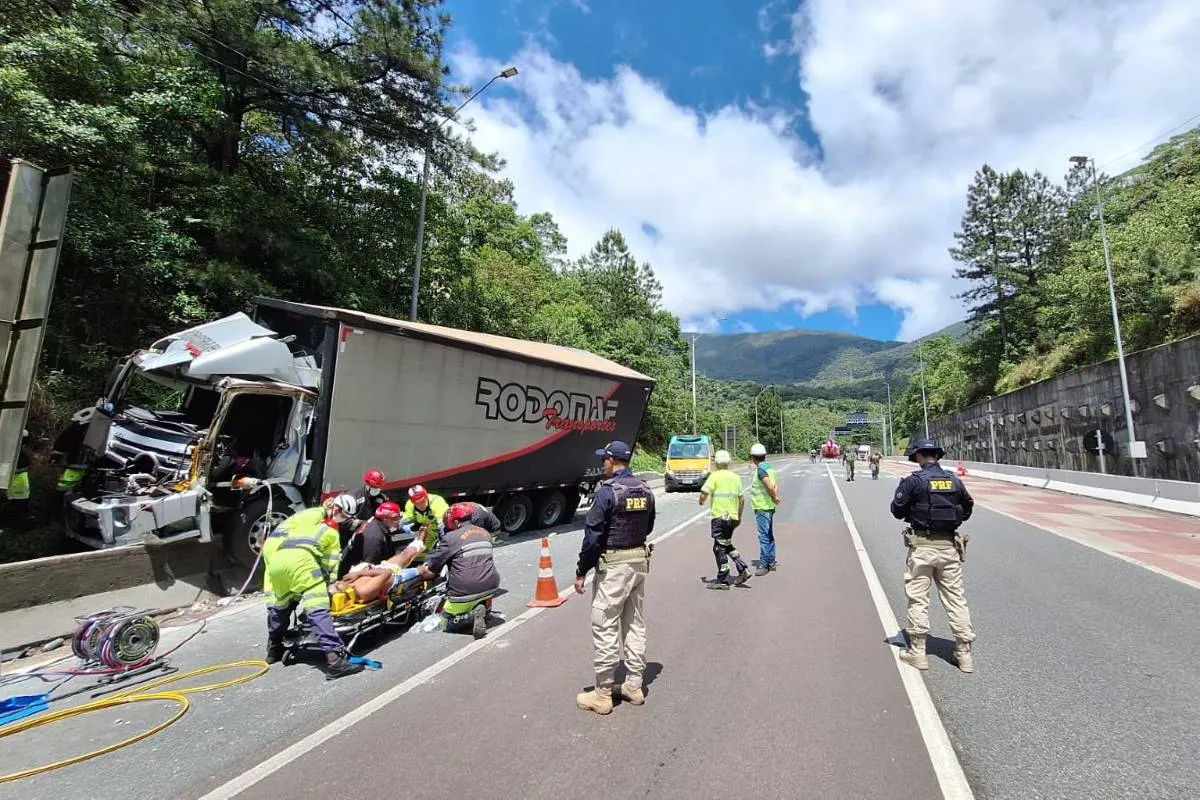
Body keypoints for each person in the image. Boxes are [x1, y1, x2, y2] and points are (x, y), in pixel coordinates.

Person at [573, 440, 656, 716]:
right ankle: (634, 685)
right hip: (639, 564)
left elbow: (593, 536)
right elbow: (650, 525)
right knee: (634, 624)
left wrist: (581, 570)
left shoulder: (608, 493)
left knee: (605, 624)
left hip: (614, 568)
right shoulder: (645, 489)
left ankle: (603, 694)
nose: (602, 465)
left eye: (603, 460)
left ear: (612, 461)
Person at [890, 436, 976, 674]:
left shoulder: (913, 482)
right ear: (937, 455)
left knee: (918, 599)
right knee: (956, 599)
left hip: (922, 547)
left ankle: (918, 652)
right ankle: (964, 654)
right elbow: (967, 509)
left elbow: (897, 511)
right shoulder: (953, 480)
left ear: (918, 456)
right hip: (949, 547)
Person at [263, 494, 365, 680]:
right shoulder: (330, 532)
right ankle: (335, 662)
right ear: (337, 510)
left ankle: (274, 649)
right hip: (300, 562)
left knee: (280, 605)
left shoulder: (307, 522)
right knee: (318, 610)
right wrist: (328, 586)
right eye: (343, 515)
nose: (342, 518)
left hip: (278, 559)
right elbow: (331, 566)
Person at [418, 502, 501, 637]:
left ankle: (471, 616)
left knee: (443, 621)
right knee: (474, 596)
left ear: (455, 522)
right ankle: (482, 608)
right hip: (492, 585)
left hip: (464, 590)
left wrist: (420, 572)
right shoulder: (485, 533)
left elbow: (433, 568)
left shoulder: (450, 538)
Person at [699, 449, 751, 589]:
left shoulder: (714, 476)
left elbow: (704, 494)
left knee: (718, 548)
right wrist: (739, 517)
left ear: (715, 463)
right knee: (726, 544)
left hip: (719, 517)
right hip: (732, 517)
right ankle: (743, 568)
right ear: (729, 463)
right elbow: (741, 499)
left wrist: (701, 500)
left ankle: (723, 579)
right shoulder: (735, 477)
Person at [749, 443, 782, 576]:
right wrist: (774, 497)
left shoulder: (761, 471)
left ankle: (764, 564)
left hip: (762, 506)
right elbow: (775, 485)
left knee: (763, 536)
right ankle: (771, 560)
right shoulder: (770, 468)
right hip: (769, 506)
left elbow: (769, 486)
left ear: (753, 457)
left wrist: (774, 497)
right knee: (769, 534)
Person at [403, 484, 450, 557]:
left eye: (422, 501)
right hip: (426, 527)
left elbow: (443, 524)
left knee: (446, 548)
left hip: (441, 524)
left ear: (426, 496)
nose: (421, 505)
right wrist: (404, 525)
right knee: (420, 552)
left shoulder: (436, 501)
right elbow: (407, 518)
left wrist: (444, 541)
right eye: (417, 503)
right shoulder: (410, 504)